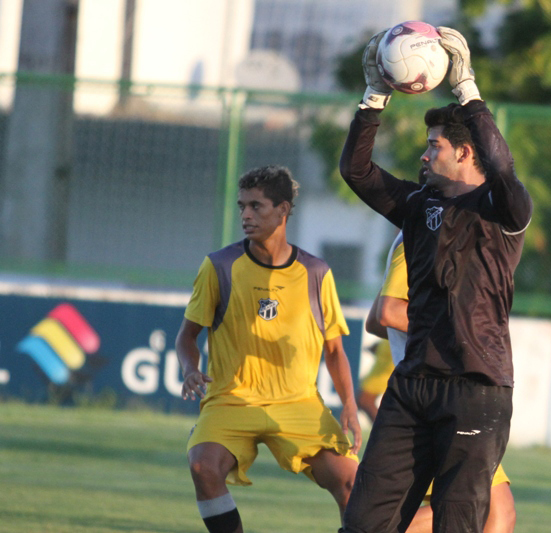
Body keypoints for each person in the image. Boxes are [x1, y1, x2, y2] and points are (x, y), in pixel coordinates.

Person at [339, 25, 532, 532]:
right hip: (412, 387)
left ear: (467, 153)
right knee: (363, 523)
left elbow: (505, 169)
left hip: (476, 388)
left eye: (435, 146)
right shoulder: (417, 205)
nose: (424, 156)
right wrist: (373, 98)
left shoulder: (502, 208)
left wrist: (467, 88)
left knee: (456, 524)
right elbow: (356, 172)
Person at [176, 165, 361, 533]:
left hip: (297, 403)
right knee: (202, 466)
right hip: (232, 399)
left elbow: (336, 351)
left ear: (283, 210)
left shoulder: (316, 272)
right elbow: (187, 336)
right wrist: (189, 368)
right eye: (242, 206)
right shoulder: (220, 266)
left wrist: (351, 408)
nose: (245, 215)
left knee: (355, 487)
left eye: (256, 206)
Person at [365, 231, 517, 533]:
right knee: (487, 510)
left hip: (452, 395)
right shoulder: (419, 234)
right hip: (437, 398)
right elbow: (388, 313)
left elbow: (373, 321)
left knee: (498, 509)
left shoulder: (444, 231)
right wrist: (460, 329)